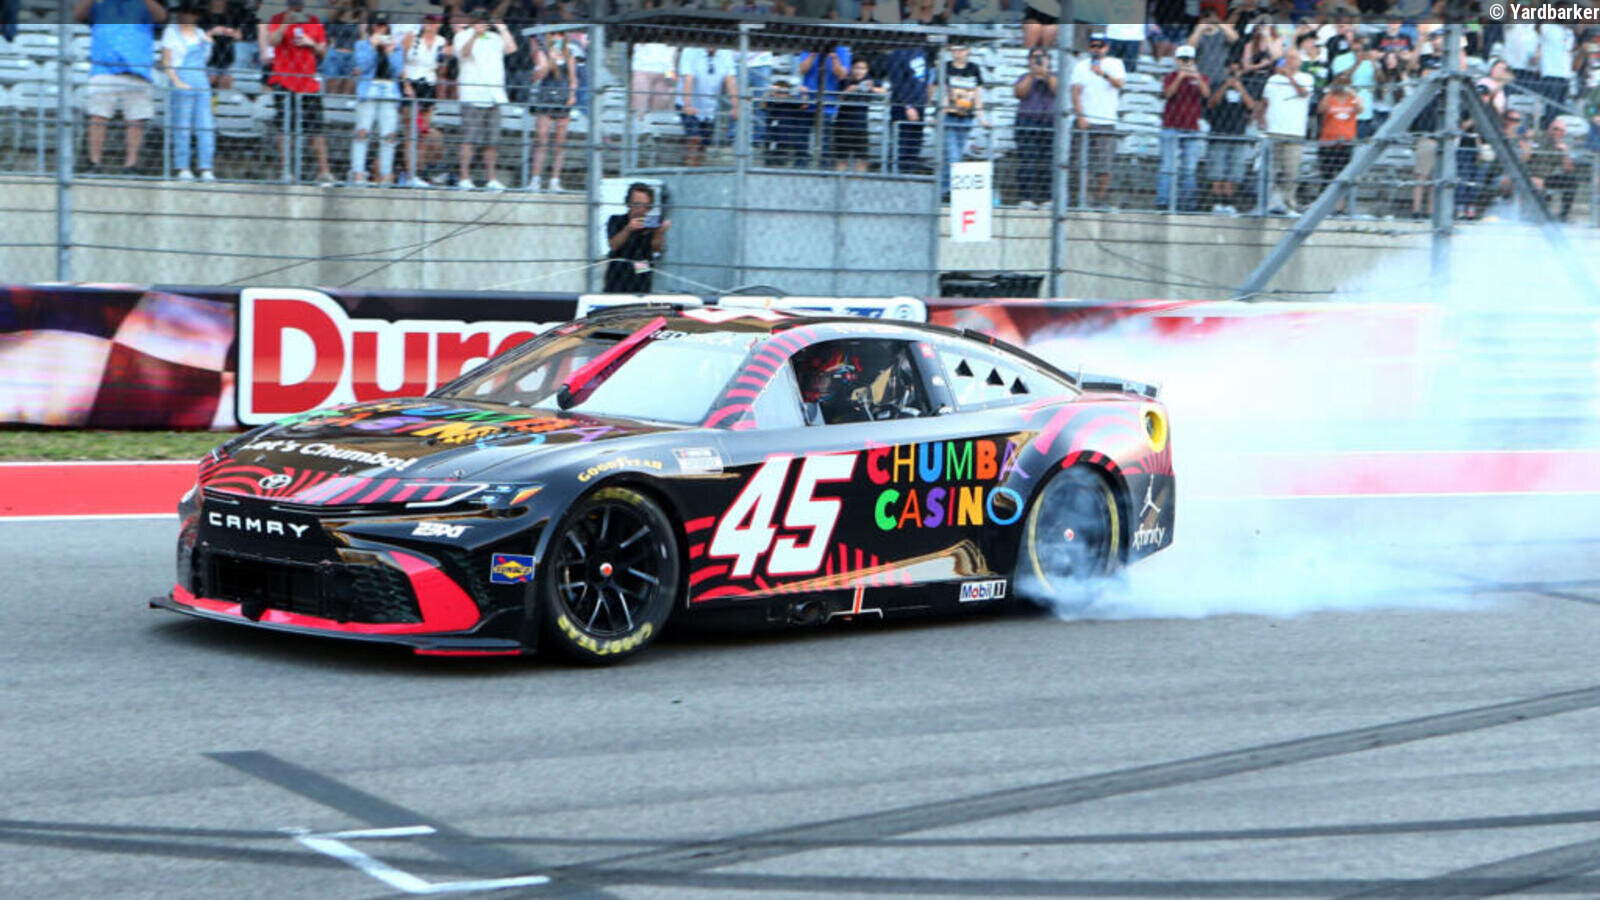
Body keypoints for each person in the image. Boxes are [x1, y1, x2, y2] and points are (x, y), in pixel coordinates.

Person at [74, 0, 166, 175]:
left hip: (137, 69)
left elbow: (161, 17)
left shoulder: (143, 5)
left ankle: (131, 165)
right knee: (98, 117)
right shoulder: (100, 4)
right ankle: (94, 164)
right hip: (104, 68)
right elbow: (78, 14)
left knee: (136, 120)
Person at [265, 0, 335, 186]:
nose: (296, 7)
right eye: (293, 5)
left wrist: (312, 43)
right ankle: (287, 171)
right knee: (285, 128)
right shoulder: (278, 19)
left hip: (308, 82)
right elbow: (272, 41)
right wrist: (285, 24)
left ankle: (324, 172)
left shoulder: (314, 21)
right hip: (284, 80)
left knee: (317, 129)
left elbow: (323, 52)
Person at [453, 12, 514, 190]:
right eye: (478, 20)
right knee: (469, 139)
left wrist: (502, 28)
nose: (482, 23)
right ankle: (464, 178)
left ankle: (491, 179)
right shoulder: (462, 35)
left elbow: (511, 48)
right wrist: (474, 35)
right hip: (472, 94)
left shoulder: (494, 37)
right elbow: (463, 53)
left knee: (492, 142)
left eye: (485, 21)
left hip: (494, 94)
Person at [160, 2, 216, 182]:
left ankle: (206, 167)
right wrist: (176, 81)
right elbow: (166, 61)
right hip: (181, 79)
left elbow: (205, 60)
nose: (187, 16)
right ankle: (182, 166)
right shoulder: (171, 32)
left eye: (192, 13)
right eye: (185, 12)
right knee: (182, 126)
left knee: (206, 125)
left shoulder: (201, 34)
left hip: (201, 82)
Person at [1072, 32, 1125, 209]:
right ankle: (1083, 200)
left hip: (1106, 120)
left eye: (1100, 46)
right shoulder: (1081, 66)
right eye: (1093, 45)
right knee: (1082, 163)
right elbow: (1075, 92)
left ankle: (1100, 200)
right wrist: (1080, 116)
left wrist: (1103, 74)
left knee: (1105, 164)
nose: (1096, 49)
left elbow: (1120, 84)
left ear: (1107, 48)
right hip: (1085, 120)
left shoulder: (1115, 64)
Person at [350, 13, 404, 186]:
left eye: (383, 26)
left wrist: (390, 52)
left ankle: (386, 174)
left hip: (389, 90)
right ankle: (358, 173)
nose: (379, 29)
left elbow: (397, 71)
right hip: (369, 89)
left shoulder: (396, 47)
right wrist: (372, 47)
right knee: (362, 132)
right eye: (376, 25)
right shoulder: (361, 45)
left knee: (389, 135)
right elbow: (363, 66)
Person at [1159, 45, 1210, 212]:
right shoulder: (1170, 76)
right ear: (1177, 60)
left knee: (1189, 168)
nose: (1185, 62)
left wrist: (1196, 77)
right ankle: (1164, 202)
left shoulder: (1201, 77)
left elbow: (1206, 94)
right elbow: (1167, 94)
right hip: (1171, 125)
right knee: (1168, 166)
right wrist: (1180, 77)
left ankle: (1187, 204)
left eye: (1188, 60)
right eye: (1182, 59)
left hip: (1191, 127)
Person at [1262, 50, 1313, 214]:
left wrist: (1289, 77)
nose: (1290, 61)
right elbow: (1265, 100)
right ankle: (1269, 203)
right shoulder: (1273, 79)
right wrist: (1261, 117)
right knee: (1271, 170)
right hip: (1274, 130)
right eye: (1288, 58)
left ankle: (1289, 204)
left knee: (1291, 171)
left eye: (1294, 58)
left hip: (1294, 131)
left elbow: (1303, 93)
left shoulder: (1306, 78)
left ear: (1300, 62)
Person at [400, 14, 447, 187]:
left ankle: (418, 173)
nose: (431, 25)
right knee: (411, 132)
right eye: (428, 21)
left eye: (434, 22)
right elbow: (400, 61)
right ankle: (410, 174)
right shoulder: (412, 36)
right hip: (412, 83)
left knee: (423, 132)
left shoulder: (441, 41)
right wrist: (406, 84)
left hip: (429, 85)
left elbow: (441, 68)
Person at [1206, 60, 1258, 215]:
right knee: (1217, 171)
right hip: (1218, 133)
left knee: (1234, 172)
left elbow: (1251, 106)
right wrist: (1225, 86)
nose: (1233, 74)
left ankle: (1228, 202)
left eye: (1236, 71)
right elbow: (1211, 103)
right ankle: (1216, 203)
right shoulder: (1216, 84)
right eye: (1231, 71)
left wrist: (1239, 87)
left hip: (1238, 134)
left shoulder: (1246, 86)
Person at [529, 30, 578, 191]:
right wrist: (550, 59)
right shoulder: (542, 53)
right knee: (541, 140)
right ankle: (535, 179)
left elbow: (573, 79)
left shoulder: (569, 54)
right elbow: (539, 74)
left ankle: (555, 180)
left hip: (562, 98)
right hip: (546, 97)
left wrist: (572, 95)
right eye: (554, 34)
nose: (557, 37)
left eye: (561, 34)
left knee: (560, 142)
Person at [605, 183, 671, 294]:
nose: (641, 209)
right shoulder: (616, 220)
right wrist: (628, 229)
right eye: (636, 204)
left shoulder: (651, 224)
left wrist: (659, 232)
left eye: (646, 205)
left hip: (641, 270)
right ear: (628, 203)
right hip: (618, 271)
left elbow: (656, 248)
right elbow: (613, 245)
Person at [678, 44, 738, 168]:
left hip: (709, 106)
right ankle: (690, 168)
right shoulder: (690, 51)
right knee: (695, 138)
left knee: (704, 143)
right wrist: (687, 105)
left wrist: (736, 106)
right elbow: (688, 79)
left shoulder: (726, 53)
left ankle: (697, 168)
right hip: (689, 103)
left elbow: (730, 80)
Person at [939, 41, 985, 197]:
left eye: (962, 49)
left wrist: (981, 117)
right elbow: (942, 91)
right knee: (953, 156)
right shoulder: (946, 67)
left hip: (966, 117)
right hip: (950, 116)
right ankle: (949, 190)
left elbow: (977, 94)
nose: (958, 52)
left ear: (968, 51)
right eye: (955, 49)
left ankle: (946, 190)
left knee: (955, 155)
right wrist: (942, 111)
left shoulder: (974, 68)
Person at [1013, 47, 1057, 209]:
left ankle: (1047, 198)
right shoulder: (1024, 77)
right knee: (1027, 160)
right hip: (1027, 121)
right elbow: (1019, 93)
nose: (1037, 60)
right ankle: (1026, 198)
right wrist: (1033, 75)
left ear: (1048, 59)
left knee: (1048, 161)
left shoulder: (1055, 76)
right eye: (1034, 57)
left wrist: (1045, 73)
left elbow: (1057, 90)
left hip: (1049, 122)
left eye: (1041, 57)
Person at [884, 43, 933, 174]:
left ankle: (908, 175)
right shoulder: (898, 53)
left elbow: (925, 79)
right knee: (901, 145)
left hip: (920, 106)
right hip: (902, 107)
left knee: (914, 145)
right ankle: (895, 175)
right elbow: (897, 83)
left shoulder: (922, 51)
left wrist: (925, 103)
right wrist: (908, 106)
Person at [1316, 72, 1360, 215]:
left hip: (1346, 142)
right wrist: (1331, 92)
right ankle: (1324, 207)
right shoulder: (1329, 98)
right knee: (1327, 175)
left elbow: (1360, 109)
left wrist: (1352, 93)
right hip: (1328, 141)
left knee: (1343, 176)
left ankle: (1340, 208)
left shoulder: (1352, 99)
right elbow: (1321, 109)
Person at [1407, 55, 1443, 219]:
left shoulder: (1444, 94)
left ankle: (1431, 212)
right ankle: (1416, 211)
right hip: (1427, 137)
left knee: (1436, 179)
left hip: (1442, 139)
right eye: (1429, 70)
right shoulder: (1420, 94)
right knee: (1421, 176)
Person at [831, 57, 882, 172]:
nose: (859, 71)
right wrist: (849, 90)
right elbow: (837, 98)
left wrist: (872, 88)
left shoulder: (870, 81)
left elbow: (884, 91)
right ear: (852, 68)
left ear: (867, 70)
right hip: (843, 124)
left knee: (862, 158)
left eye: (863, 68)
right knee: (841, 158)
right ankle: (839, 179)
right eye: (857, 68)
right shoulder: (846, 80)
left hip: (861, 124)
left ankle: (859, 179)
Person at [1527, 117, 1578, 221]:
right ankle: (1536, 215)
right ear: (1549, 128)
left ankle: (1563, 215)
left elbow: (1568, 169)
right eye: (1555, 129)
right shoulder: (1538, 137)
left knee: (1571, 181)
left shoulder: (1562, 145)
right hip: (1530, 174)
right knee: (1536, 184)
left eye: (1561, 131)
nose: (1558, 132)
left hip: (1547, 177)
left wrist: (1565, 153)